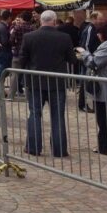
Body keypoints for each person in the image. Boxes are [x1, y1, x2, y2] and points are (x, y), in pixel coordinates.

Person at [20, 10, 77, 158]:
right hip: (56, 82)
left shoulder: (29, 37)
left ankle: (33, 147)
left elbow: (22, 60)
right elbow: (72, 59)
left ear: (41, 21)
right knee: (58, 116)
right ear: (54, 21)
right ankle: (59, 150)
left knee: (34, 114)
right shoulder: (64, 38)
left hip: (35, 81)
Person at [78, 22, 107, 155]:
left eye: (99, 33)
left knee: (103, 117)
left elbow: (94, 63)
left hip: (106, 84)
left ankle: (105, 146)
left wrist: (84, 53)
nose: (97, 35)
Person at [77, 11, 103, 113]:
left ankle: (95, 103)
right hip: (89, 60)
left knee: (92, 82)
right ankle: (82, 104)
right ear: (94, 18)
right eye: (100, 18)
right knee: (85, 81)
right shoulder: (90, 29)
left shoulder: (96, 29)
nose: (102, 20)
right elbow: (86, 45)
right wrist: (90, 57)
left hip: (94, 59)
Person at [0, 10, 13, 82]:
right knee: (2, 71)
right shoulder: (3, 27)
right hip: (4, 52)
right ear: (9, 18)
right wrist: (12, 41)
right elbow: (4, 42)